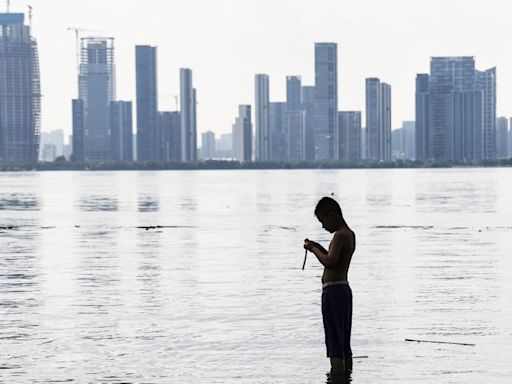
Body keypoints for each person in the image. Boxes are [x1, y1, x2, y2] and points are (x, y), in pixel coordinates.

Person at [304, 196, 355, 378]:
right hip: (343, 291)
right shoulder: (349, 234)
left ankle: (337, 377)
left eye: (323, 220)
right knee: (343, 343)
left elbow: (330, 262)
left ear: (332, 215)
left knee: (334, 341)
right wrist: (317, 246)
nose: (323, 226)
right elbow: (333, 258)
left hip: (334, 292)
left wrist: (313, 250)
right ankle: (347, 376)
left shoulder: (339, 235)